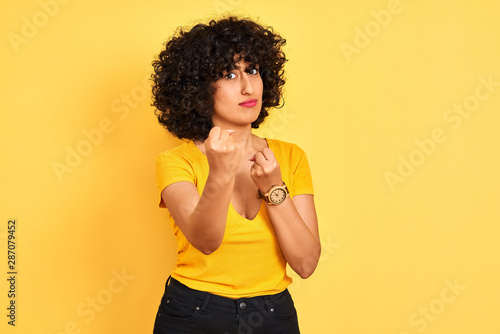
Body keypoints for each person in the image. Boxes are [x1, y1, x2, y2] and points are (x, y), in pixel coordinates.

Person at [151, 16, 321, 334]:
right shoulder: (176, 161)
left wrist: (274, 190)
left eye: (252, 70)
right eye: (229, 74)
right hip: (193, 313)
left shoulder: (290, 157)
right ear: (199, 88)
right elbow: (205, 241)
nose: (247, 86)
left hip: (273, 315)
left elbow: (306, 264)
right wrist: (221, 173)